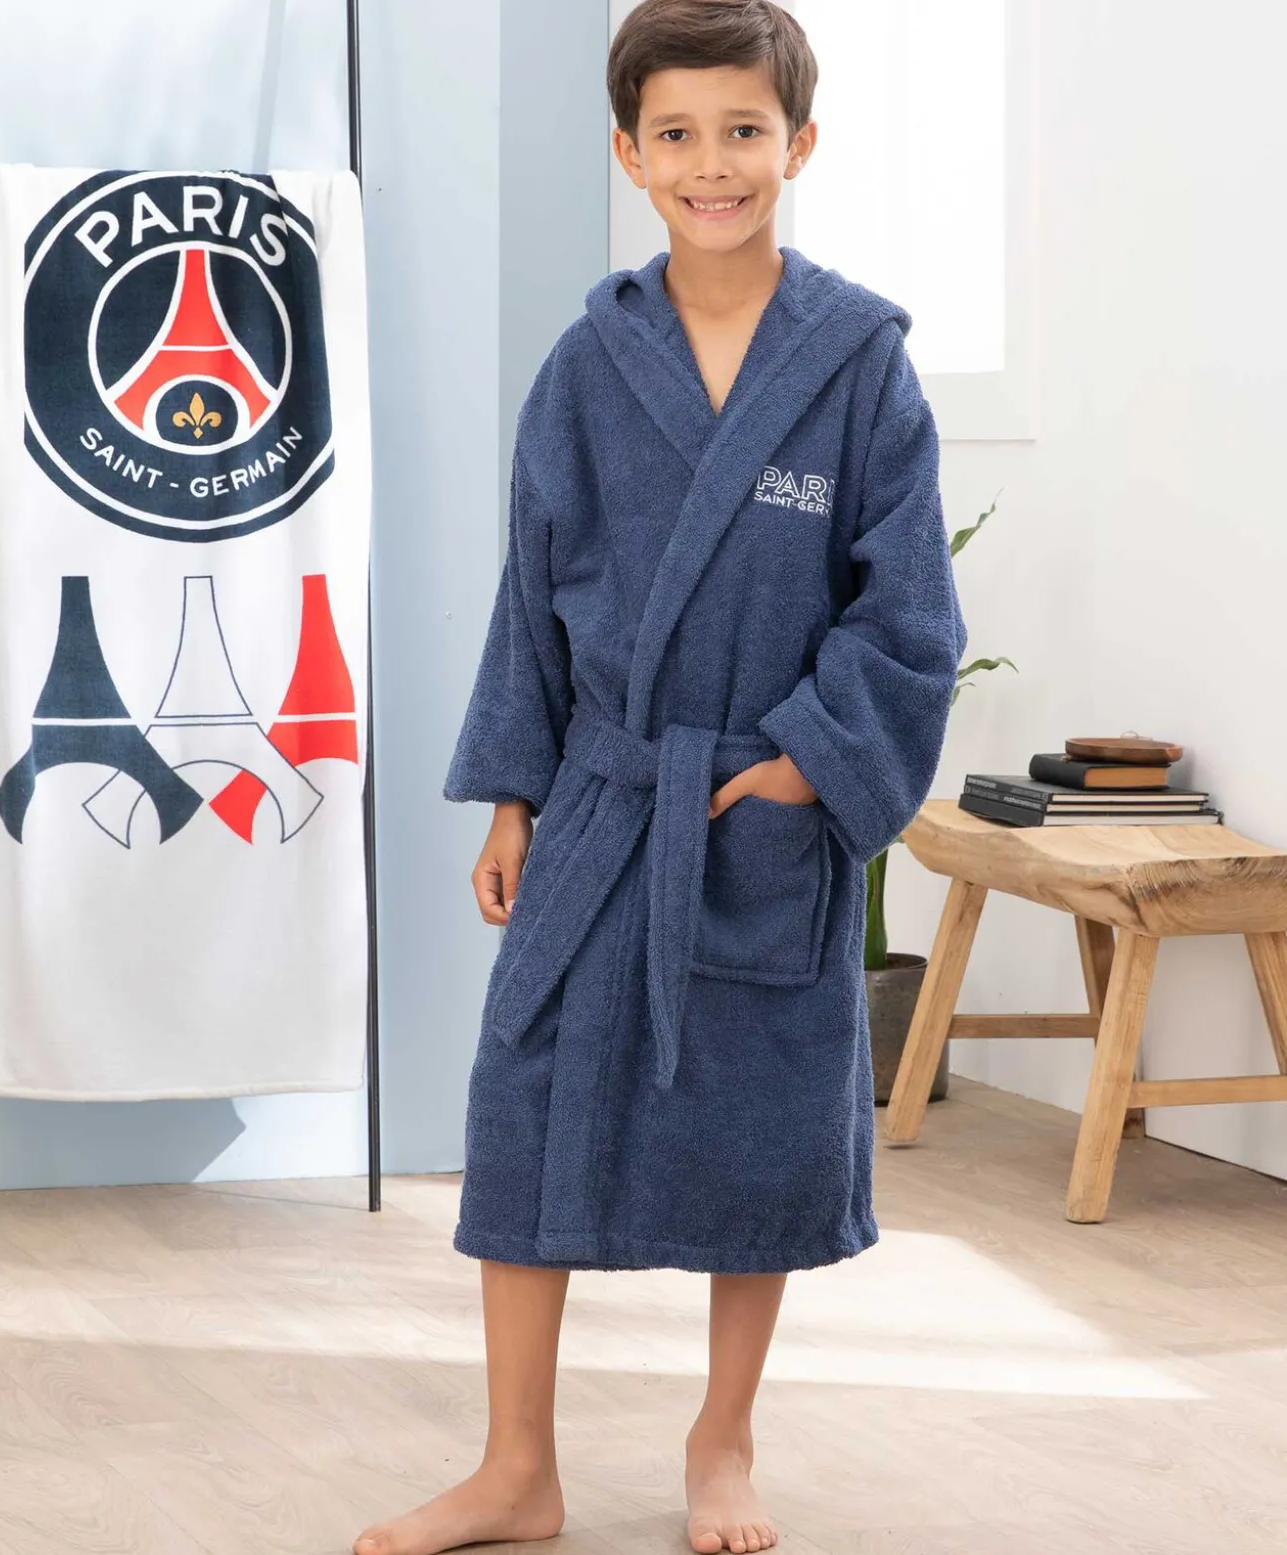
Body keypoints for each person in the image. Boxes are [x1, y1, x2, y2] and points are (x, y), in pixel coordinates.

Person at [354, 2, 966, 1553]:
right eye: (677, 135)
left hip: (757, 801)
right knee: (523, 1106)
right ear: (629, 155)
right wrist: (514, 794)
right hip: (605, 796)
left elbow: (906, 610)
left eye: (744, 131)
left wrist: (805, 768)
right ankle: (517, 1464)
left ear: (799, 143)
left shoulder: (860, 366)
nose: (713, 165)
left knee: (757, 1122)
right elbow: (533, 587)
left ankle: (723, 1437)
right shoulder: (589, 362)